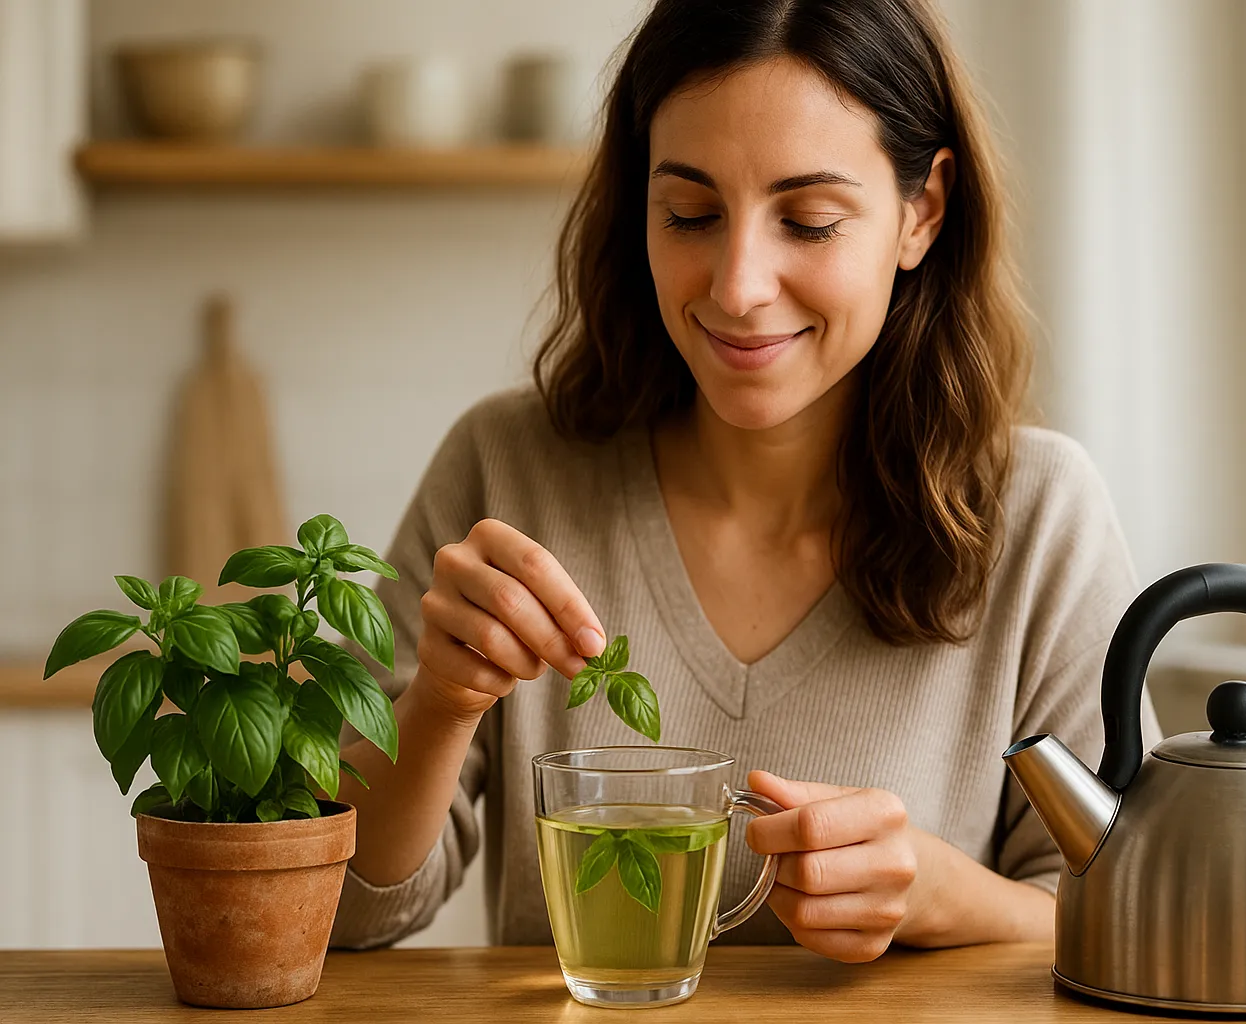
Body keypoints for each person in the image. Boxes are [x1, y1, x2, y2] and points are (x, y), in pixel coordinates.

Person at [330, 0, 1160, 962]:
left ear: (921, 212)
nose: (737, 286)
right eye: (690, 213)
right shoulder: (506, 468)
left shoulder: (1041, 517)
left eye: (808, 222)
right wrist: (438, 703)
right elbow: (347, 915)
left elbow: (1134, 915)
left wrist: (941, 896)